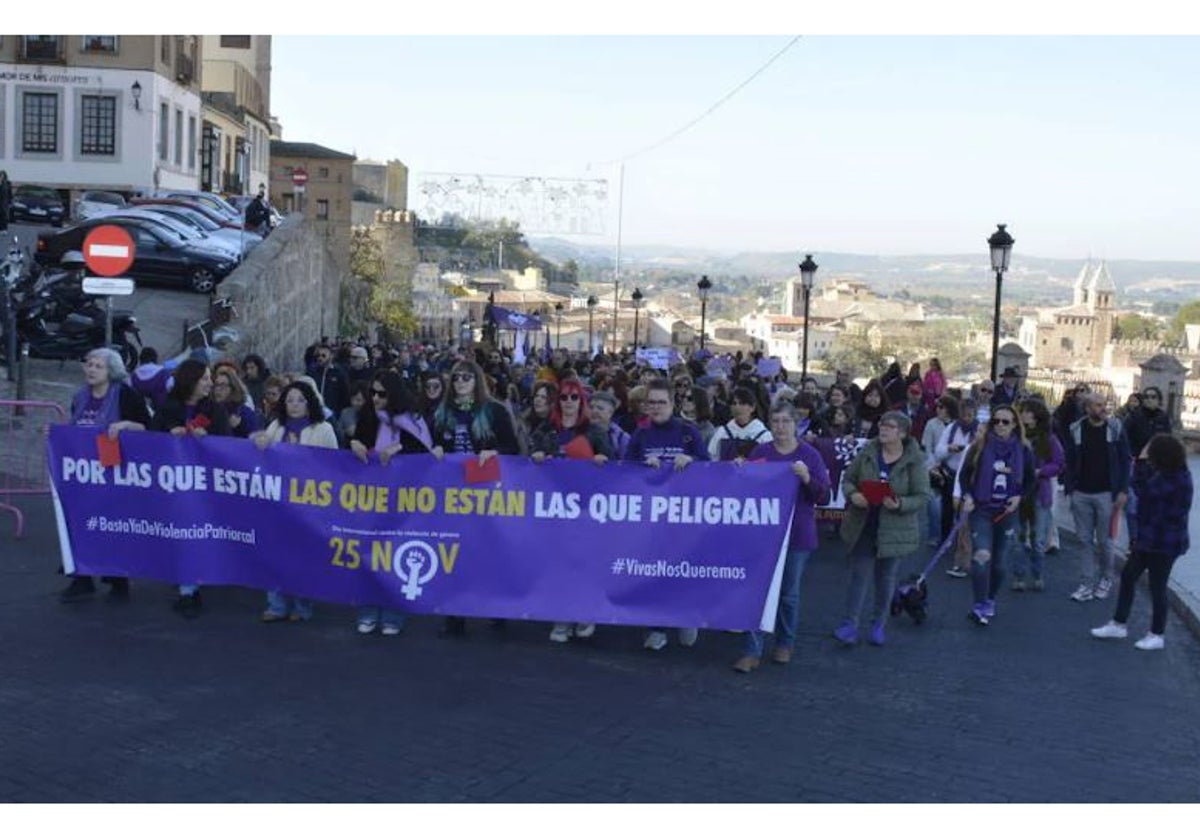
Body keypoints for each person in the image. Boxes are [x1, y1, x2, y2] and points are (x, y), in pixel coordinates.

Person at [732, 401, 831, 672]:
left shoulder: (810, 455)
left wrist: (807, 477)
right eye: (775, 422)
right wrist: (740, 469)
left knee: (788, 594)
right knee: (758, 590)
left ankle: (785, 642)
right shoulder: (761, 451)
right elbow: (747, 489)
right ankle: (752, 650)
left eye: (786, 422)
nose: (780, 427)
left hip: (798, 533)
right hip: (764, 535)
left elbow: (824, 496)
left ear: (796, 424)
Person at [431, 360, 521, 637]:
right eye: (456, 378)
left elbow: (514, 448)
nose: (460, 382)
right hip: (454, 493)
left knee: (490, 551)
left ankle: (497, 610)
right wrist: (435, 449)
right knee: (455, 553)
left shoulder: (494, 410)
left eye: (467, 377)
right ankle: (455, 614)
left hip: (488, 491)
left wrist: (494, 452)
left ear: (477, 380)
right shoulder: (443, 412)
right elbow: (435, 442)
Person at [59, 348, 152, 604]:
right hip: (83, 473)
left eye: (98, 366)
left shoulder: (126, 396)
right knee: (80, 524)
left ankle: (118, 579)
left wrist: (125, 426)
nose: (91, 370)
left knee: (112, 525)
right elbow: (72, 429)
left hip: (115, 472)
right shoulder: (80, 396)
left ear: (111, 371)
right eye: (88, 364)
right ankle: (82, 577)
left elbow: (148, 427)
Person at [625, 378, 709, 651]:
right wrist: (641, 466)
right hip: (651, 515)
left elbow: (712, 469)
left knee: (683, 569)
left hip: (683, 515)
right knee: (654, 571)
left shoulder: (688, 432)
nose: (657, 407)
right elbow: (624, 471)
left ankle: (686, 616)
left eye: (662, 402)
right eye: (652, 402)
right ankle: (657, 626)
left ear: (673, 404)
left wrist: (693, 462)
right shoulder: (640, 435)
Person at [832, 411, 929, 646]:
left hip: (895, 528)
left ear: (903, 433)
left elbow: (922, 496)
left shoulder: (914, 460)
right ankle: (850, 624)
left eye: (890, 426)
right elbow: (848, 480)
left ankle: (878, 625)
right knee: (859, 576)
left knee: (885, 579)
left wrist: (900, 504)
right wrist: (853, 495)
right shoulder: (868, 452)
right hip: (864, 523)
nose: (883, 429)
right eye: (882, 425)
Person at [529, 378, 613, 644]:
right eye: (564, 397)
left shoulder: (594, 430)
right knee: (559, 564)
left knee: (586, 562)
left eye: (574, 397)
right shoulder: (545, 428)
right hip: (555, 508)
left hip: (588, 507)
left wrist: (602, 460)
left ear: (581, 401)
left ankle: (586, 613)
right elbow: (530, 456)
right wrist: (537, 456)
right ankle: (561, 617)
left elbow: (614, 463)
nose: (568, 402)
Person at [1091, 434, 1193, 651]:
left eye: (1152, 452)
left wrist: (1140, 462)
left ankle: (1157, 634)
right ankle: (1119, 623)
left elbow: (1142, 489)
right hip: (1149, 538)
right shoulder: (1165, 474)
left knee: (1157, 586)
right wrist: (1141, 462)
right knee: (1128, 576)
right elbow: (1140, 485)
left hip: (1165, 543)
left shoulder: (1178, 479)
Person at [351, 371, 434, 636]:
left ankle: (393, 614)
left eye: (381, 394)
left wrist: (398, 449)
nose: (375, 398)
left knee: (395, 555)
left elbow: (425, 452)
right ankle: (367, 611)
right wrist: (354, 443)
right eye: (372, 393)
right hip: (371, 495)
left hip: (403, 497)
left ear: (394, 394)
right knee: (369, 554)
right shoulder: (367, 415)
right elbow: (359, 441)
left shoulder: (412, 419)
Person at [150, 360, 232, 618]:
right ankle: (187, 582)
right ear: (191, 381)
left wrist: (208, 441)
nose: (210, 383)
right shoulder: (167, 407)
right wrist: (168, 435)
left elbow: (228, 444)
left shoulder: (215, 409)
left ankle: (190, 589)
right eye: (205, 378)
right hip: (172, 482)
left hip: (203, 485)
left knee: (194, 531)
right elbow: (150, 441)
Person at [254, 380, 338, 622]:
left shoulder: (323, 429)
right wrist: (259, 440)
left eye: (300, 399)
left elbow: (334, 466)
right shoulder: (276, 427)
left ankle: (302, 607)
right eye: (289, 400)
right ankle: (276, 605)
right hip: (279, 502)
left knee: (303, 555)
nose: (294, 405)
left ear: (310, 402)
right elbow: (260, 452)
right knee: (275, 552)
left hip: (310, 503)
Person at [956, 404, 1036, 626]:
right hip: (981, 509)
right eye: (996, 421)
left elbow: (1031, 480)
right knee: (982, 557)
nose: (1000, 425)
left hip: (1007, 513)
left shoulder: (1024, 449)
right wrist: (967, 496)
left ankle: (990, 598)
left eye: (1005, 422)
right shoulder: (979, 446)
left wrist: (1019, 497)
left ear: (1014, 425)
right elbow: (965, 476)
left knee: (999, 564)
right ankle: (979, 604)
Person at [1063, 392, 1131, 603]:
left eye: (1104, 404)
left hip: (1106, 494)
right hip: (1081, 492)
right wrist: (1070, 489)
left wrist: (1122, 490)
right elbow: (1070, 460)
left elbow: (1125, 460)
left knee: (1105, 542)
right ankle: (1086, 583)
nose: (1103, 408)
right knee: (1084, 541)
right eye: (1098, 405)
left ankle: (1106, 579)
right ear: (1087, 408)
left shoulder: (1115, 428)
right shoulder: (1076, 429)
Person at [1011, 399, 1064, 592]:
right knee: (1018, 538)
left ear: (1036, 416)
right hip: (1018, 493)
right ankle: (1018, 576)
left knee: (1038, 540)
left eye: (1027, 411)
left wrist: (1040, 471)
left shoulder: (1048, 439)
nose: (1023, 414)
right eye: (1022, 411)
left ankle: (1037, 573)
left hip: (1039, 493)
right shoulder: (1016, 437)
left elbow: (1058, 463)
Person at [1121, 386, 1173, 545]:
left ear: (1159, 400)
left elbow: (1168, 441)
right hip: (1136, 465)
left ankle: (1149, 538)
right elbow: (1124, 439)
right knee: (1133, 506)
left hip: (1157, 468)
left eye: (1153, 397)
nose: (1149, 400)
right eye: (1147, 397)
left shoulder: (1163, 419)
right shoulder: (1134, 417)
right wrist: (1133, 455)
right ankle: (1134, 540)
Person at [707, 387, 772, 461]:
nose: (737, 407)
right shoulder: (722, 432)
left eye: (742, 403)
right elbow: (712, 459)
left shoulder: (765, 436)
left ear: (753, 407)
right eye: (734, 403)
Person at [212, 368, 259, 439]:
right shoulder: (209, 409)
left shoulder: (244, 413)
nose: (218, 389)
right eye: (216, 385)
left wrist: (240, 425)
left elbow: (256, 437)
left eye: (223, 385)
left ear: (233, 388)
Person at [588, 390, 630, 460]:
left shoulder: (621, 437)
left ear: (610, 412)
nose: (594, 411)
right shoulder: (579, 432)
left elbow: (626, 466)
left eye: (600, 408)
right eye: (591, 407)